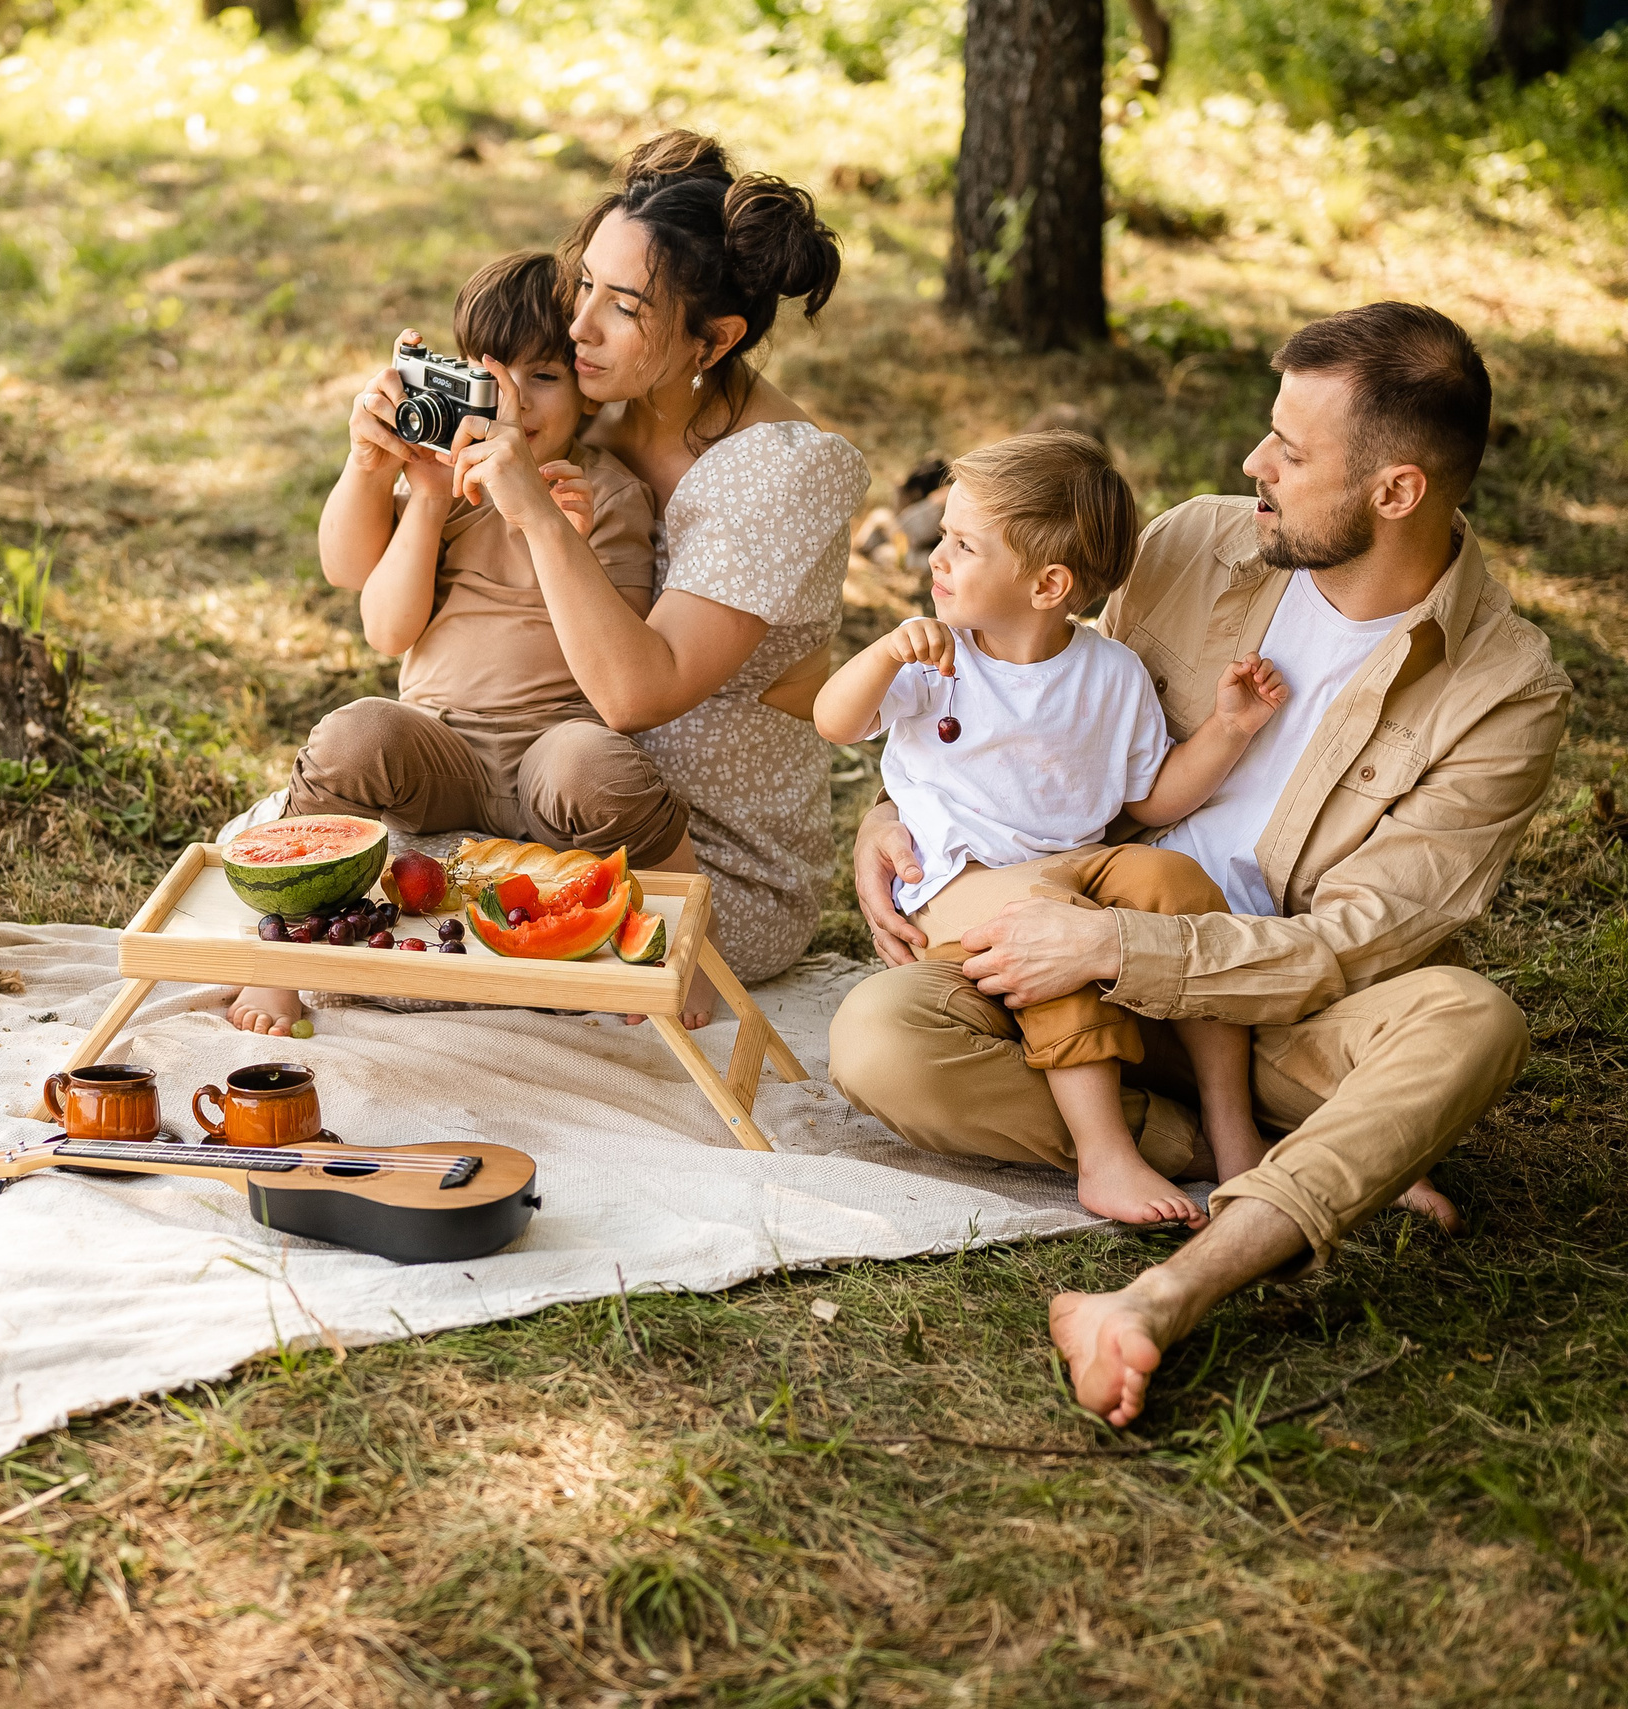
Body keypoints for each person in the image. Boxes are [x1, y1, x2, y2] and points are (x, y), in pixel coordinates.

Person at [827, 302, 1571, 1427]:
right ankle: (1288, 1153)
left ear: (1396, 491)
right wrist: (893, 811)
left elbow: (1353, 943)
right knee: (880, 1040)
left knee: (1472, 1020)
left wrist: (1122, 945)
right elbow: (1031, 712)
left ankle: (1161, 1293)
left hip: (1272, 1011)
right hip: (1065, 947)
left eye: (1292, 451)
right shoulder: (1193, 543)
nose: (1253, 462)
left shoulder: (1504, 693)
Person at [443, 130, 868, 1026]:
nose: (579, 325)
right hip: (541, 787)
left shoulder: (782, 472)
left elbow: (637, 694)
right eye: (584, 284)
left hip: (707, 863)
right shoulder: (593, 403)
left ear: (715, 339)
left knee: (424, 931)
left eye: (624, 306)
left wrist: (535, 513)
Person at [813, 432, 1290, 1229]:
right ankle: (1105, 1152)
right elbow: (834, 721)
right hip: (956, 896)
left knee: (1177, 884)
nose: (937, 556)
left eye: (964, 545)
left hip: (1077, 867)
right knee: (1049, 931)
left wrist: (1230, 729)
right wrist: (886, 654)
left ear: (1048, 585)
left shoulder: (1110, 673)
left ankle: (1230, 1119)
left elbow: (1153, 796)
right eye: (944, 537)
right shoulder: (934, 661)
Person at [230, 252, 680, 1035]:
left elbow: (612, 665)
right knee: (352, 735)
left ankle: (686, 947)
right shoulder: (439, 482)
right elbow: (383, 626)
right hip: (442, 753)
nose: (514, 402)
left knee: (599, 766)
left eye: (544, 377)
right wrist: (414, 492)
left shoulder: (606, 493)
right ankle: (280, 962)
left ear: (587, 389)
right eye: (490, 379)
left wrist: (554, 536)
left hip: (551, 756)